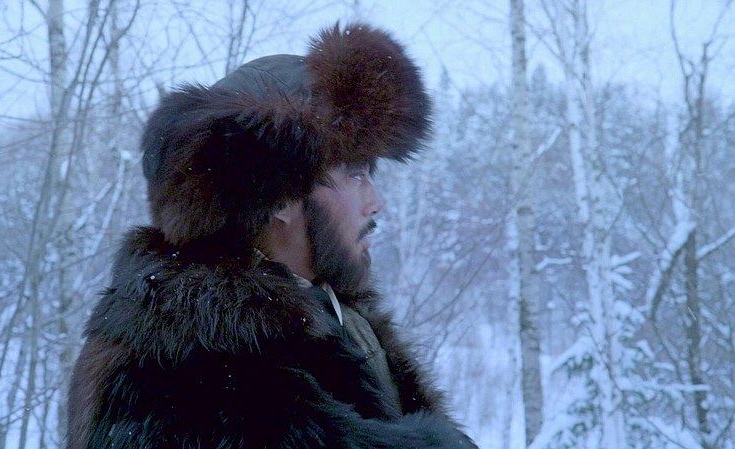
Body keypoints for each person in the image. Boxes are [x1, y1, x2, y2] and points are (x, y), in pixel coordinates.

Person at [66, 22, 478, 449]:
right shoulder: (172, 375)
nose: (375, 203)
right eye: (356, 174)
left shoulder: (334, 318)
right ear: (280, 195)